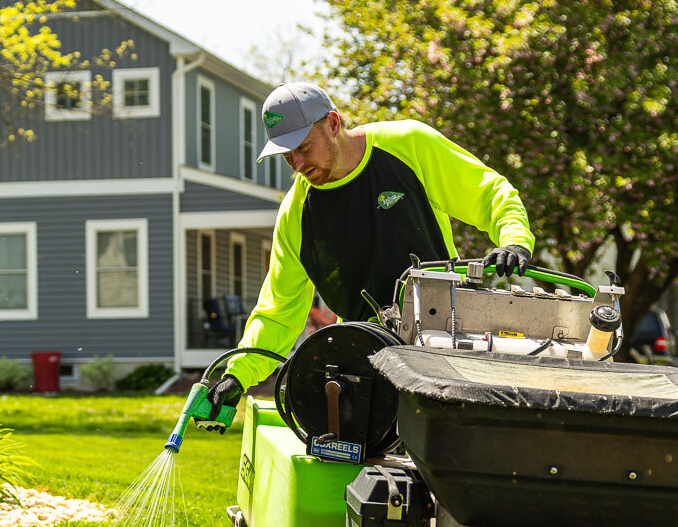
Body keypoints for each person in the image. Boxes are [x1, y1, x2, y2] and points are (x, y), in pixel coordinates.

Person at [210, 81, 535, 406]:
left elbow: (487, 190)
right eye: (287, 156)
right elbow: (279, 309)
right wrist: (237, 375)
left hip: (445, 337)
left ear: (333, 123)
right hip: (361, 357)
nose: (296, 164)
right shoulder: (297, 211)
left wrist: (515, 239)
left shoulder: (408, 144)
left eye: (304, 147)